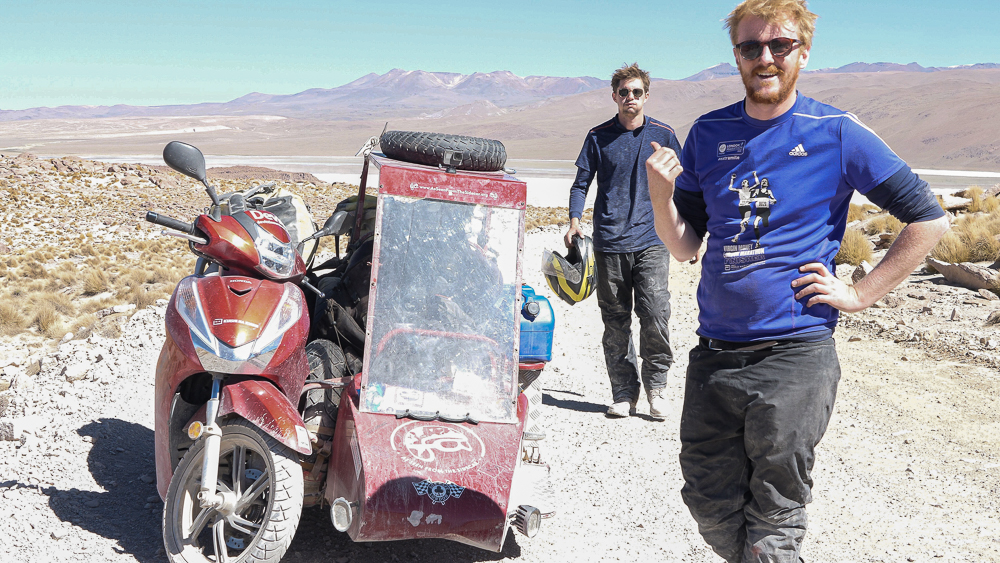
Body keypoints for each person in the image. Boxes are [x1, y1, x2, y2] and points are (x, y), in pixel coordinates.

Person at [644, 0, 950, 560]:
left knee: (775, 514)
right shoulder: (708, 133)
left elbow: (928, 219)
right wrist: (662, 199)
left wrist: (859, 293)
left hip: (795, 354)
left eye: (779, 45)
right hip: (715, 353)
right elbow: (685, 246)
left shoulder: (835, 131)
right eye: (750, 46)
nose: (765, 57)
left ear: (803, 53)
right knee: (707, 500)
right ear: (736, 55)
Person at [565, 63, 682, 420]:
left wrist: (690, 231)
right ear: (614, 96)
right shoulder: (598, 137)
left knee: (655, 313)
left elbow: (685, 184)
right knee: (615, 321)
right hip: (609, 242)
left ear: (647, 96)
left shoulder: (664, 134)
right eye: (623, 92)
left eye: (636, 92)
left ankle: (657, 389)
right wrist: (574, 221)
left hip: (653, 239)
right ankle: (623, 393)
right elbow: (581, 184)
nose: (630, 97)